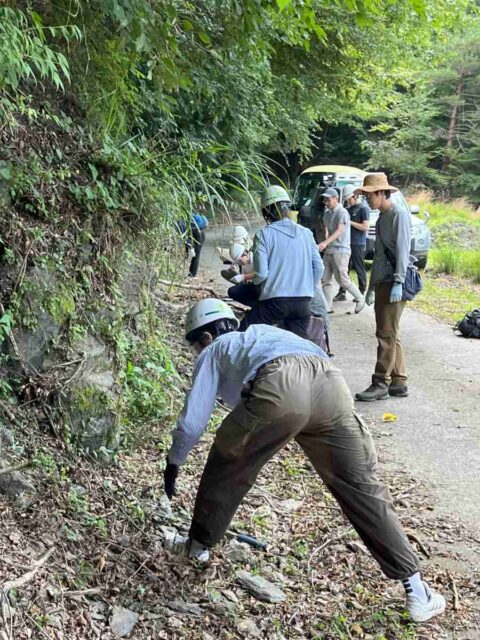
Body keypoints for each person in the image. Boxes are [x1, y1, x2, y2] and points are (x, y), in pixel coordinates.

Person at [163, 299, 446, 624]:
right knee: (362, 487)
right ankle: (416, 590)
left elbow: (192, 422)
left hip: (282, 385)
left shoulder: (214, 350)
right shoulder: (263, 335)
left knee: (227, 463)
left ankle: (197, 546)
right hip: (331, 385)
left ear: (206, 338)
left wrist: (174, 462)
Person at [354, 173, 411, 402]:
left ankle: (380, 383)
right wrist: (371, 287)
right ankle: (399, 381)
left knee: (385, 334)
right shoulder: (382, 218)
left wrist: (398, 281)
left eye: (369, 195)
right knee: (391, 333)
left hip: (395, 281)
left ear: (381, 193)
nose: (367, 199)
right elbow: (378, 256)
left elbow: (403, 251)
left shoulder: (399, 215)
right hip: (383, 280)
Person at [240, 185, 323, 338]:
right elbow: (319, 267)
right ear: (288, 209)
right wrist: (307, 288)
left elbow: (262, 274)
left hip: (275, 303)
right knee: (298, 346)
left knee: (244, 332)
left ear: (266, 212)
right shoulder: (306, 233)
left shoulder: (264, 235)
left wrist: (256, 283)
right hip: (303, 303)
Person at [319, 188, 365, 314]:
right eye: (325, 200)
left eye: (328, 200)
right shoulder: (327, 214)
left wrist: (324, 243)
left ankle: (360, 298)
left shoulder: (342, 212)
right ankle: (328, 306)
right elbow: (327, 229)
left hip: (341, 249)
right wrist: (325, 242)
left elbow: (340, 231)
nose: (326, 202)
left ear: (336, 199)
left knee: (342, 279)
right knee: (325, 279)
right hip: (329, 250)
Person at [334, 184, 370, 301]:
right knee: (344, 269)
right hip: (346, 243)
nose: (348, 202)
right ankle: (342, 292)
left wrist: (350, 223)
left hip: (358, 243)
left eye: (349, 199)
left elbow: (365, 227)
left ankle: (361, 291)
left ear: (355, 196)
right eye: (346, 200)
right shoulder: (348, 209)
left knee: (359, 267)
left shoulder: (363, 208)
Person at [179, 213, 208, 278]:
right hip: (200, 232)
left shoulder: (181, 221)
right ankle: (192, 274)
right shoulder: (192, 216)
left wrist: (189, 247)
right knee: (196, 255)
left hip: (194, 233)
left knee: (194, 254)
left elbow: (183, 235)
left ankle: (192, 274)